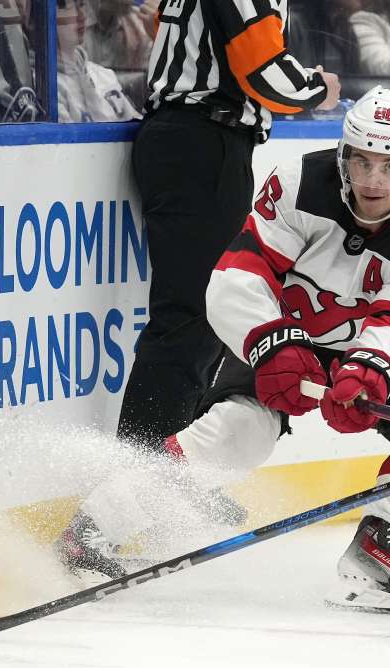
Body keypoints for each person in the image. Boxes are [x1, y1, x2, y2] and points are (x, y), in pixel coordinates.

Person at [59, 87, 390, 614]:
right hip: (280, 336)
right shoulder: (299, 184)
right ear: (343, 155)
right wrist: (271, 343)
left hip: (362, 347)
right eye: (364, 161)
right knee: (239, 436)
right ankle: (93, 530)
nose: (375, 180)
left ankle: (381, 540)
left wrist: (369, 371)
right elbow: (237, 277)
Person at [116, 0, 341, 450]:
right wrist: (318, 87)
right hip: (203, 143)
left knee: (205, 314)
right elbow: (260, 69)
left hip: (195, 141)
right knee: (192, 316)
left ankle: (169, 472)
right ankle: (136, 482)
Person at [57, 0, 141, 123]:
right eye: (62, 6)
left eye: (81, 4)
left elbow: (135, 125)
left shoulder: (105, 76)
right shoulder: (45, 88)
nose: (82, 16)